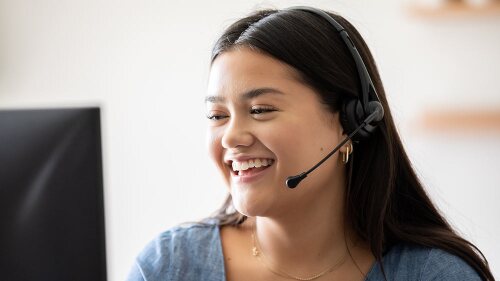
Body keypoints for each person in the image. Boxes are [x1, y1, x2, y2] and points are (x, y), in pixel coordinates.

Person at [127, 6, 494, 281]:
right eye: (217, 116)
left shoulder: (432, 275)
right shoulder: (169, 267)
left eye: (261, 109)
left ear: (350, 122)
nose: (232, 137)